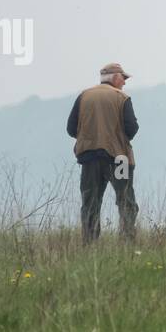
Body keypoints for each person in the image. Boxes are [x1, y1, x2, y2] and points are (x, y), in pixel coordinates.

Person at [66, 62, 140, 243]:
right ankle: (127, 242)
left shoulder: (84, 96)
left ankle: (89, 244)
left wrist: (88, 137)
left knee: (90, 202)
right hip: (119, 160)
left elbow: (70, 128)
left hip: (90, 158)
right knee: (125, 200)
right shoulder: (121, 97)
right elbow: (132, 129)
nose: (124, 83)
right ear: (115, 78)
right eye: (123, 78)